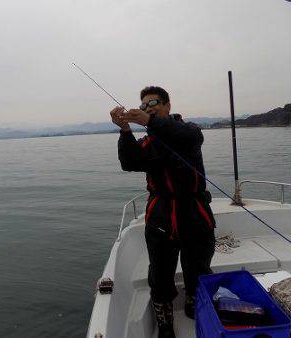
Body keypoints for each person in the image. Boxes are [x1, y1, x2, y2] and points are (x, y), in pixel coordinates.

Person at [110, 86, 215, 338]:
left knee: (198, 266)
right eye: (144, 105)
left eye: (154, 102)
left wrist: (149, 121)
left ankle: (194, 302)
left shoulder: (189, 131)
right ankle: (164, 319)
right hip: (160, 215)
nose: (148, 107)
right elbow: (129, 162)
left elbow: (187, 138)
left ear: (168, 105)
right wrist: (125, 130)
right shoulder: (148, 142)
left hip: (194, 210)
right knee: (160, 272)